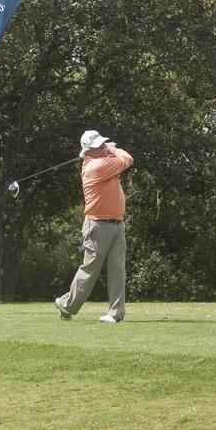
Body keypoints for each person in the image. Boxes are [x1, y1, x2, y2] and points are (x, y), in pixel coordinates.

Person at [54, 130, 134, 324]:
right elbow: (128, 159)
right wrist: (113, 149)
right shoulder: (95, 167)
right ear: (89, 150)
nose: (102, 147)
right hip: (97, 224)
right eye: (98, 145)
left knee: (118, 270)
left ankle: (115, 314)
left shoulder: (101, 160)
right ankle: (67, 305)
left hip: (117, 223)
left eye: (102, 144)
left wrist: (107, 150)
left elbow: (116, 158)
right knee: (90, 269)